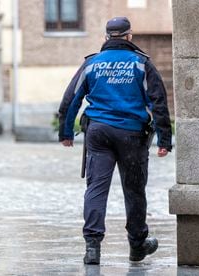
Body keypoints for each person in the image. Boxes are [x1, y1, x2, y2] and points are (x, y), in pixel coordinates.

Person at [58, 16, 172, 265]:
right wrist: (165, 138)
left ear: (107, 37)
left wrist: (66, 132)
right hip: (132, 134)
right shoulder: (142, 64)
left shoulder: (91, 64)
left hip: (98, 133)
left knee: (96, 189)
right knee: (134, 190)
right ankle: (138, 244)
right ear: (129, 36)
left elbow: (71, 99)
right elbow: (158, 102)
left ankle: (92, 248)